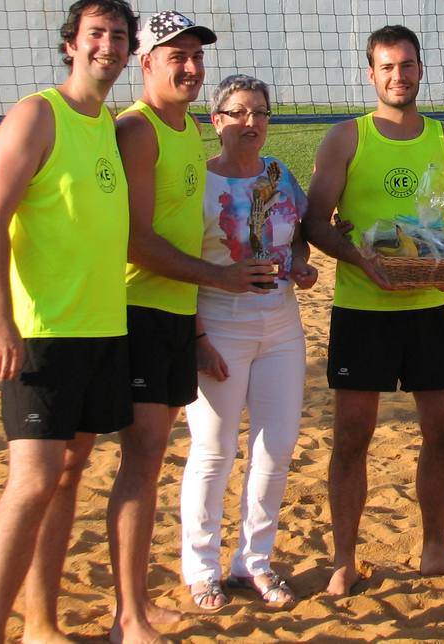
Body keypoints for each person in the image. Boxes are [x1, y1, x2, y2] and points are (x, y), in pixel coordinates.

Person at [0, 0, 138, 644]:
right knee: (33, 481)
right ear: (72, 43)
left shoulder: (107, 125)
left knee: (69, 477)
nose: (109, 46)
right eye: (98, 34)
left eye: (120, 36)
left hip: (100, 328)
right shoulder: (38, 115)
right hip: (42, 331)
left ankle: (42, 622)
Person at [108, 11, 274, 643]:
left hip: (177, 313)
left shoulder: (179, 134)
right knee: (135, 461)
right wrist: (221, 278)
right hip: (141, 311)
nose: (189, 66)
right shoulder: (140, 130)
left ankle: (135, 607)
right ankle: (130, 615)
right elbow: (135, 242)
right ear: (144, 62)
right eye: (173, 54)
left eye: (195, 55)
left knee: (147, 461)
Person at [303, 24, 444, 595]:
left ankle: (434, 547)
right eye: (387, 67)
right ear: (370, 73)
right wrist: (355, 254)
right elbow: (315, 223)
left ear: (420, 69)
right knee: (353, 437)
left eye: (407, 66)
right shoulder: (345, 138)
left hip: (430, 305)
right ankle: (344, 558)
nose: (398, 76)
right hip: (363, 308)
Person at [179, 75, 318, 612]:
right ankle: (201, 568)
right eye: (237, 112)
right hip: (220, 323)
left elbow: (300, 226)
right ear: (216, 121)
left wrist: (301, 260)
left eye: (259, 112)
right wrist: (196, 336)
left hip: (280, 325)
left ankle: (254, 562)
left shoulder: (279, 173)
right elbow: (181, 264)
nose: (250, 122)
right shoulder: (201, 183)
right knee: (213, 451)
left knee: (276, 448)